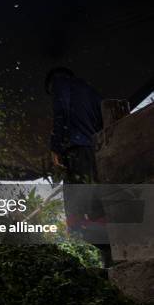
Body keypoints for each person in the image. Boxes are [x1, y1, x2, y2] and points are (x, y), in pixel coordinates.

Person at [46, 67, 111, 267]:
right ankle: (112, 258)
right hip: (93, 153)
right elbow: (103, 121)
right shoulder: (90, 91)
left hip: (76, 152)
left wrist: (55, 148)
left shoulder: (59, 83)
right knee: (97, 212)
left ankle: (109, 250)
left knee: (76, 222)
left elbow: (61, 113)